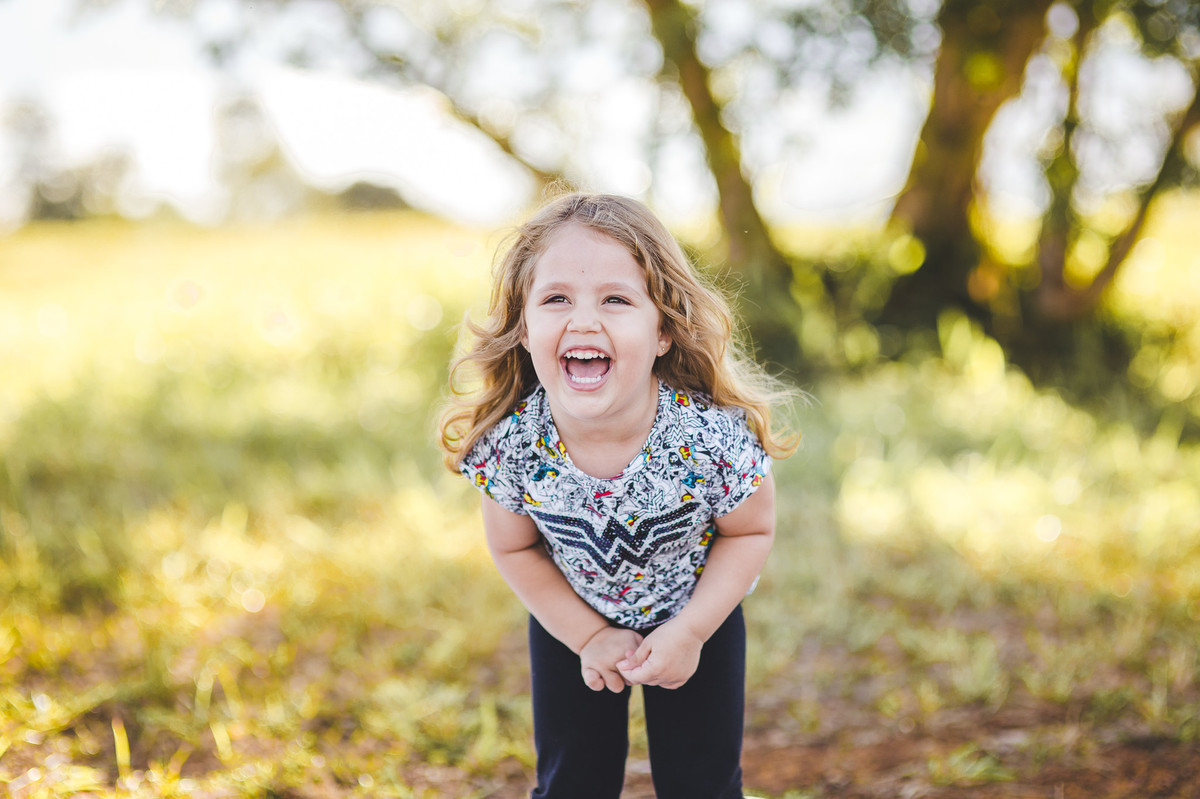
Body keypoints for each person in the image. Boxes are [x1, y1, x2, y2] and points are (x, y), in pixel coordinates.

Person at [439, 192, 796, 799]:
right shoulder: (515, 446)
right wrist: (586, 635)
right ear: (524, 329)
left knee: (702, 784)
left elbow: (750, 531)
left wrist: (690, 631)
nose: (583, 321)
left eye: (616, 299)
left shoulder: (709, 439)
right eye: (556, 299)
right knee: (572, 782)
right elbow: (515, 549)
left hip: (696, 617)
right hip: (572, 620)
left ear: (663, 331)